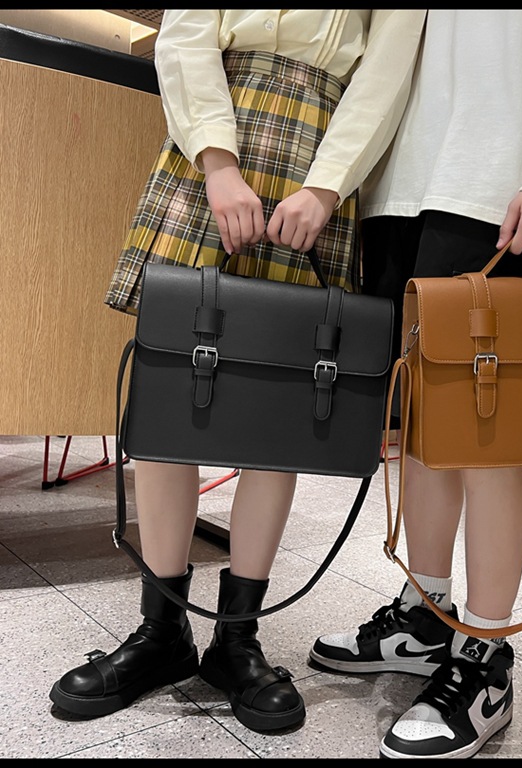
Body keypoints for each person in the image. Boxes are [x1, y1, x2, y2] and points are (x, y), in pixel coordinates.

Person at [49, 9, 425, 733]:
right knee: (168, 398)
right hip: (210, 145)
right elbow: (186, 32)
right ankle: (161, 632)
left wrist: (327, 187)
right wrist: (219, 166)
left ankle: (236, 640)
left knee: (281, 413)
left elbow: (385, 74)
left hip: (319, 157)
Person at [309, 9, 522, 759]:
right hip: (400, 188)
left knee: (489, 440)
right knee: (424, 426)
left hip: (499, 184)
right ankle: (425, 616)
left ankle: (485, 654)